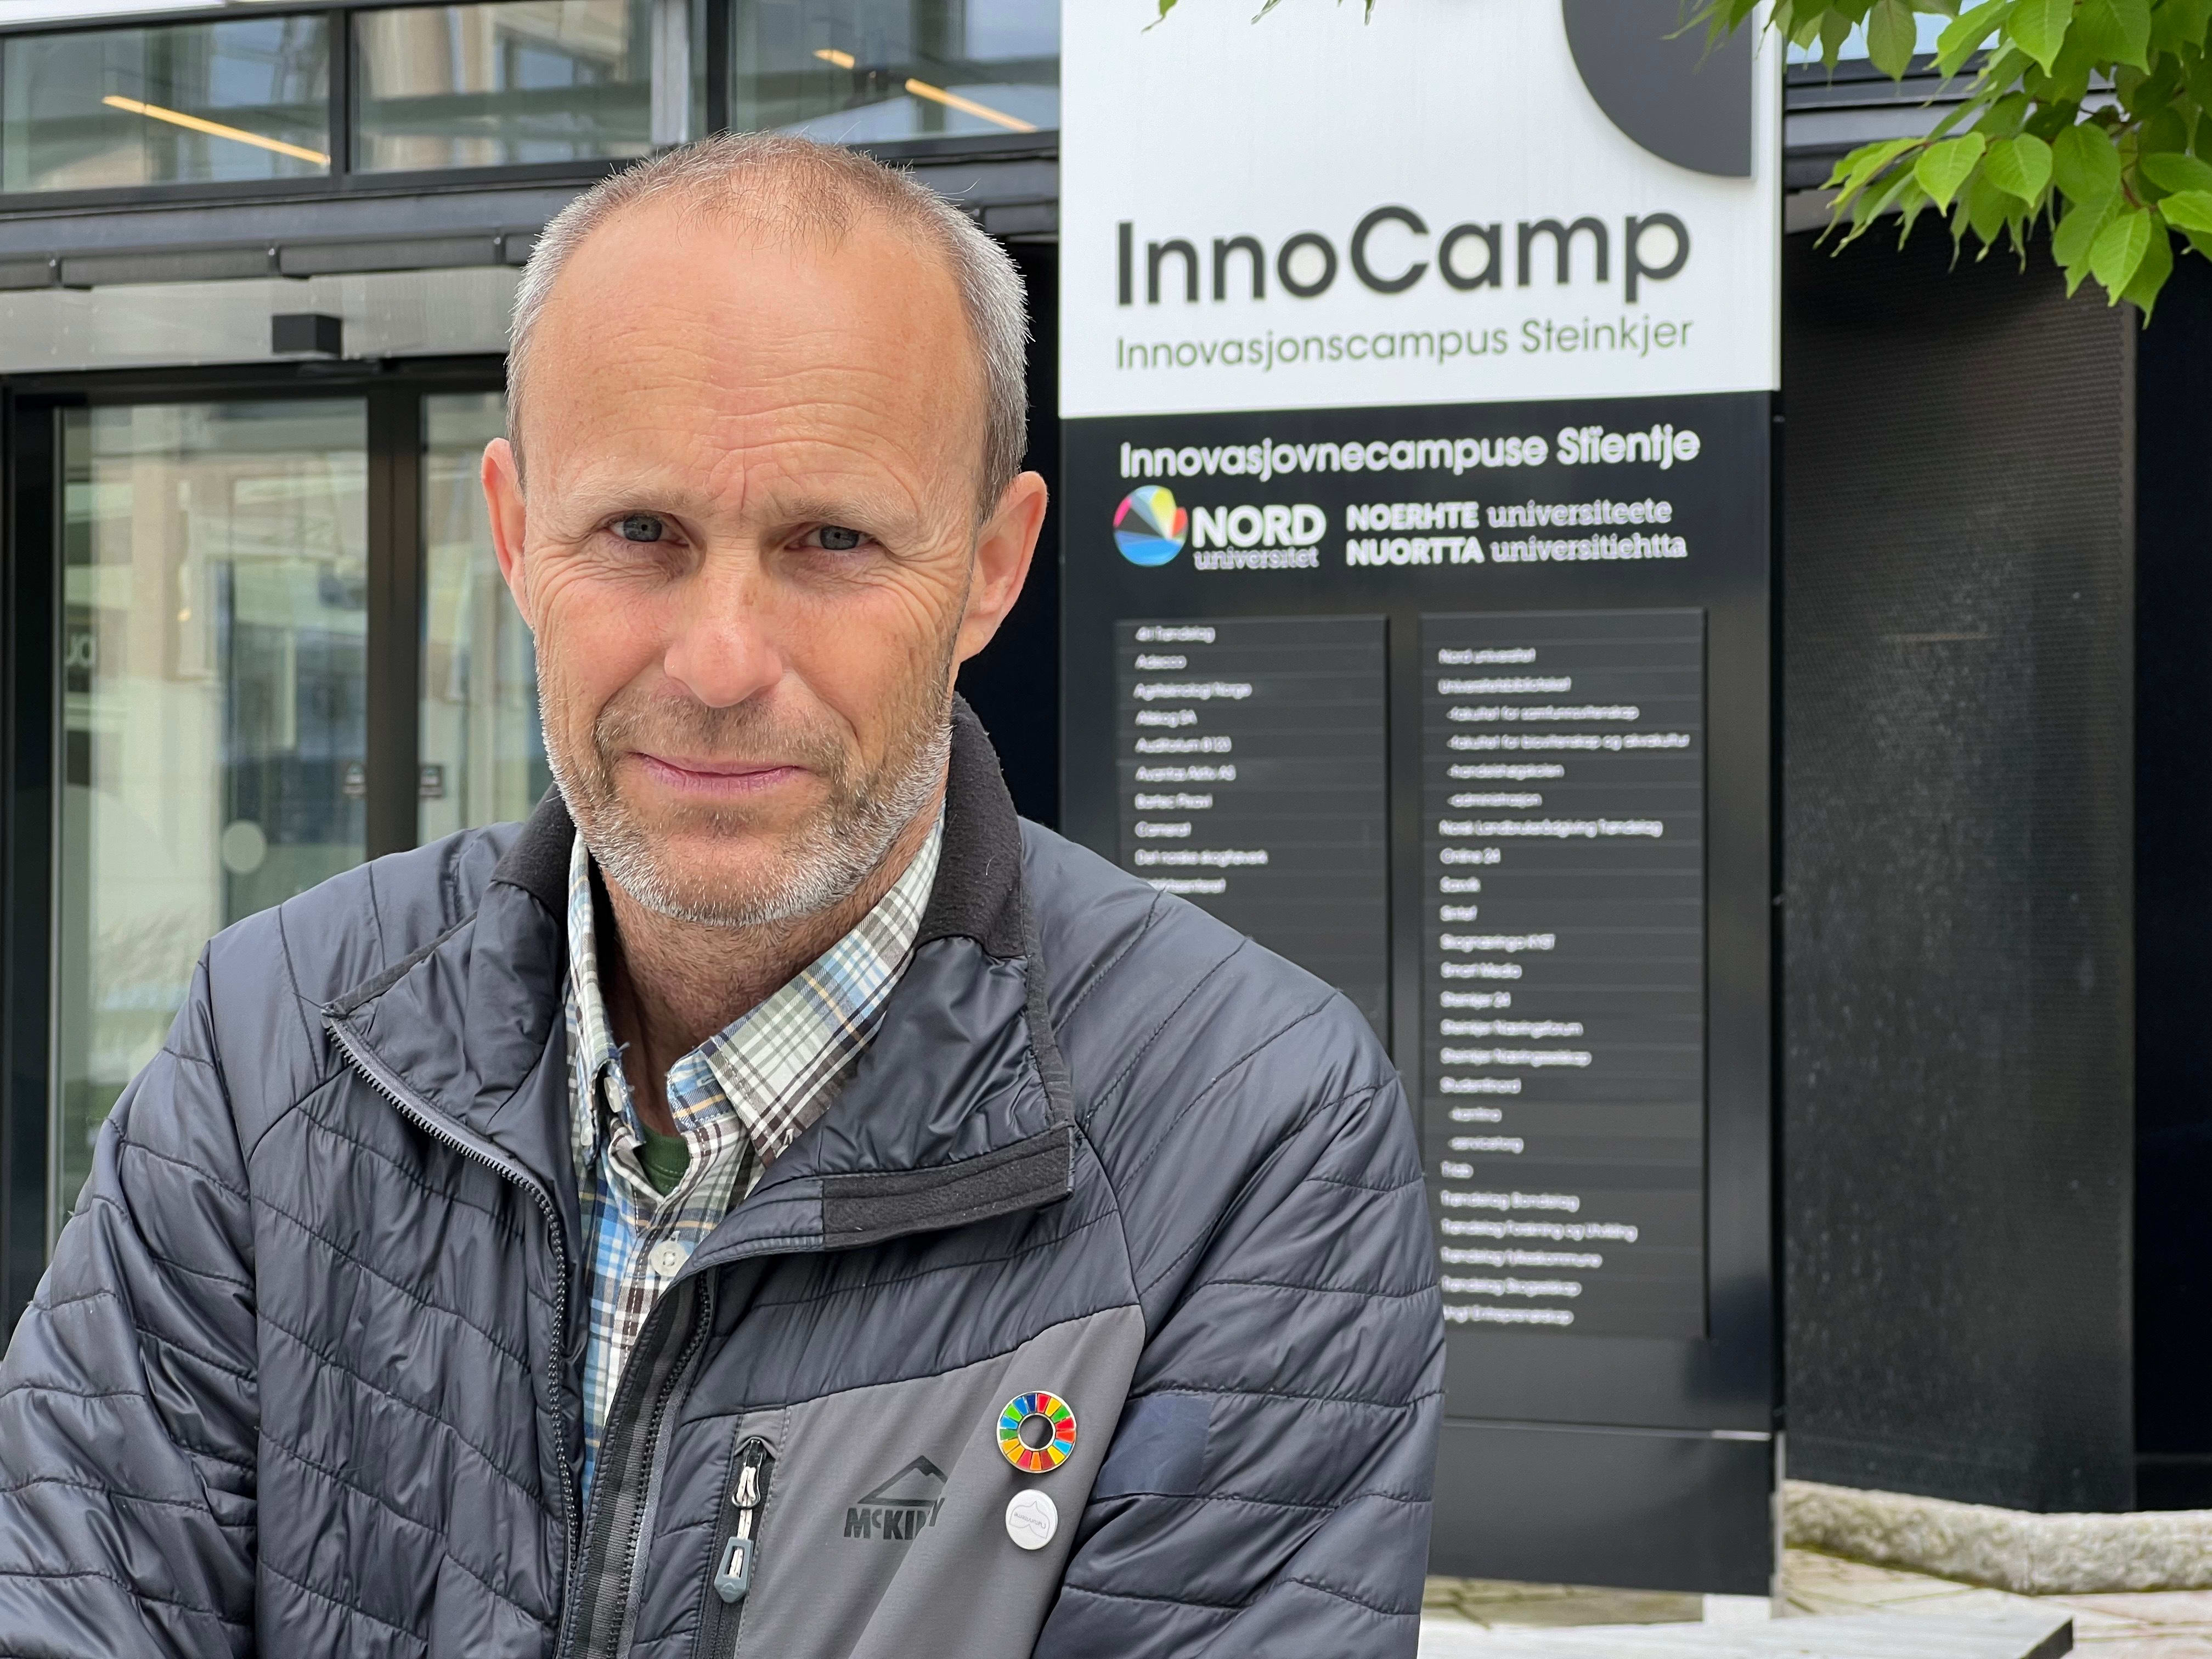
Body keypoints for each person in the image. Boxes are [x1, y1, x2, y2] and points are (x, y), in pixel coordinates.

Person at [0, 133, 1441, 1657]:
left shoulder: (1250, 1137)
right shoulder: (275, 1039)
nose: (721, 661)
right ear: (516, 537)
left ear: (992, 567)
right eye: (642, 533)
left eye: (832, 541)